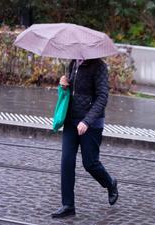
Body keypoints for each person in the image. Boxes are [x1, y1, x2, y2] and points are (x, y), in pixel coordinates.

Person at [51, 58, 118, 218]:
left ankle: (110, 183)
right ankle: (68, 205)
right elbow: (72, 93)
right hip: (71, 121)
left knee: (90, 163)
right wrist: (64, 84)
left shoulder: (99, 66)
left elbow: (102, 97)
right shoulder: (73, 63)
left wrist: (87, 121)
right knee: (66, 161)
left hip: (91, 124)